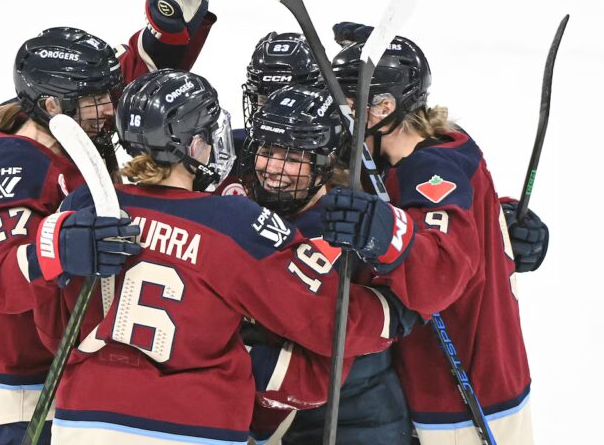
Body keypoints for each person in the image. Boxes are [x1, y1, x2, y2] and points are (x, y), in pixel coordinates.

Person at [29, 69, 410, 444]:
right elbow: (328, 322)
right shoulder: (234, 224)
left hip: (83, 417)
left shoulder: (85, 207)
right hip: (194, 424)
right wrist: (396, 312)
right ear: (194, 145)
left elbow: (52, 327)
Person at [0, 0, 221, 444]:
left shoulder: (64, 115)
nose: (111, 107)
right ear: (53, 103)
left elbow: (129, 86)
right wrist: (61, 246)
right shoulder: (13, 166)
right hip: (22, 377)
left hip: (72, 356)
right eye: (97, 100)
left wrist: (167, 33)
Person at [322, 33, 536, 444]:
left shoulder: (430, 171)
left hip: (462, 401)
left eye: (347, 106)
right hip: (496, 374)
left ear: (383, 108)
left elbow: (440, 275)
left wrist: (381, 229)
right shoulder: (445, 143)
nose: (337, 119)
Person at [238, 85, 416, 445]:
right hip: (274, 419)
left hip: (357, 417)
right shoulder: (243, 212)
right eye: (267, 152)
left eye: (290, 158)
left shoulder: (353, 226)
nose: (272, 168)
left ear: (323, 163)